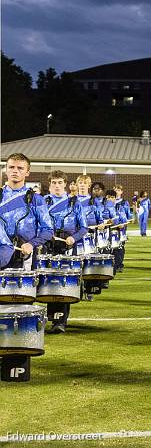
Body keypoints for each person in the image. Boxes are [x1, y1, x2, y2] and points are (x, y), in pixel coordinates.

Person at [0, 153, 53, 382]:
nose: (15, 171)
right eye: (11, 167)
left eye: (20, 168)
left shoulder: (36, 200)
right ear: (5, 169)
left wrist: (32, 244)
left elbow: (48, 230)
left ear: (27, 172)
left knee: (18, 312)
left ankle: (16, 365)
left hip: (24, 257)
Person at [43, 170, 88, 334]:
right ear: (49, 185)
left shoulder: (75, 203)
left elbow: (84, 227)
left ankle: (60, 321)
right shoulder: (43, 202)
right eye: (54, 183)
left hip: (67, 246)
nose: (57, 186)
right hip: (48, 246)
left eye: (60, 182)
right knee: (49, 282)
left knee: (62, 284)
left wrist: (74, 238)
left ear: (66, 185)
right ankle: (52, 317)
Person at [113, 185, 132, 272]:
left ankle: (120, 265)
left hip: (122, 227)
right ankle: (113, 264)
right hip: (113, 226)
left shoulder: (125, 202)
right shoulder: (110, 201)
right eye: (115, 190)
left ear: (121, 192)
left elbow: (128, 216)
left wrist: (124, 223)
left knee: (120, 246)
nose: (117, 192)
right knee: (112, 245)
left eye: (119, 190)